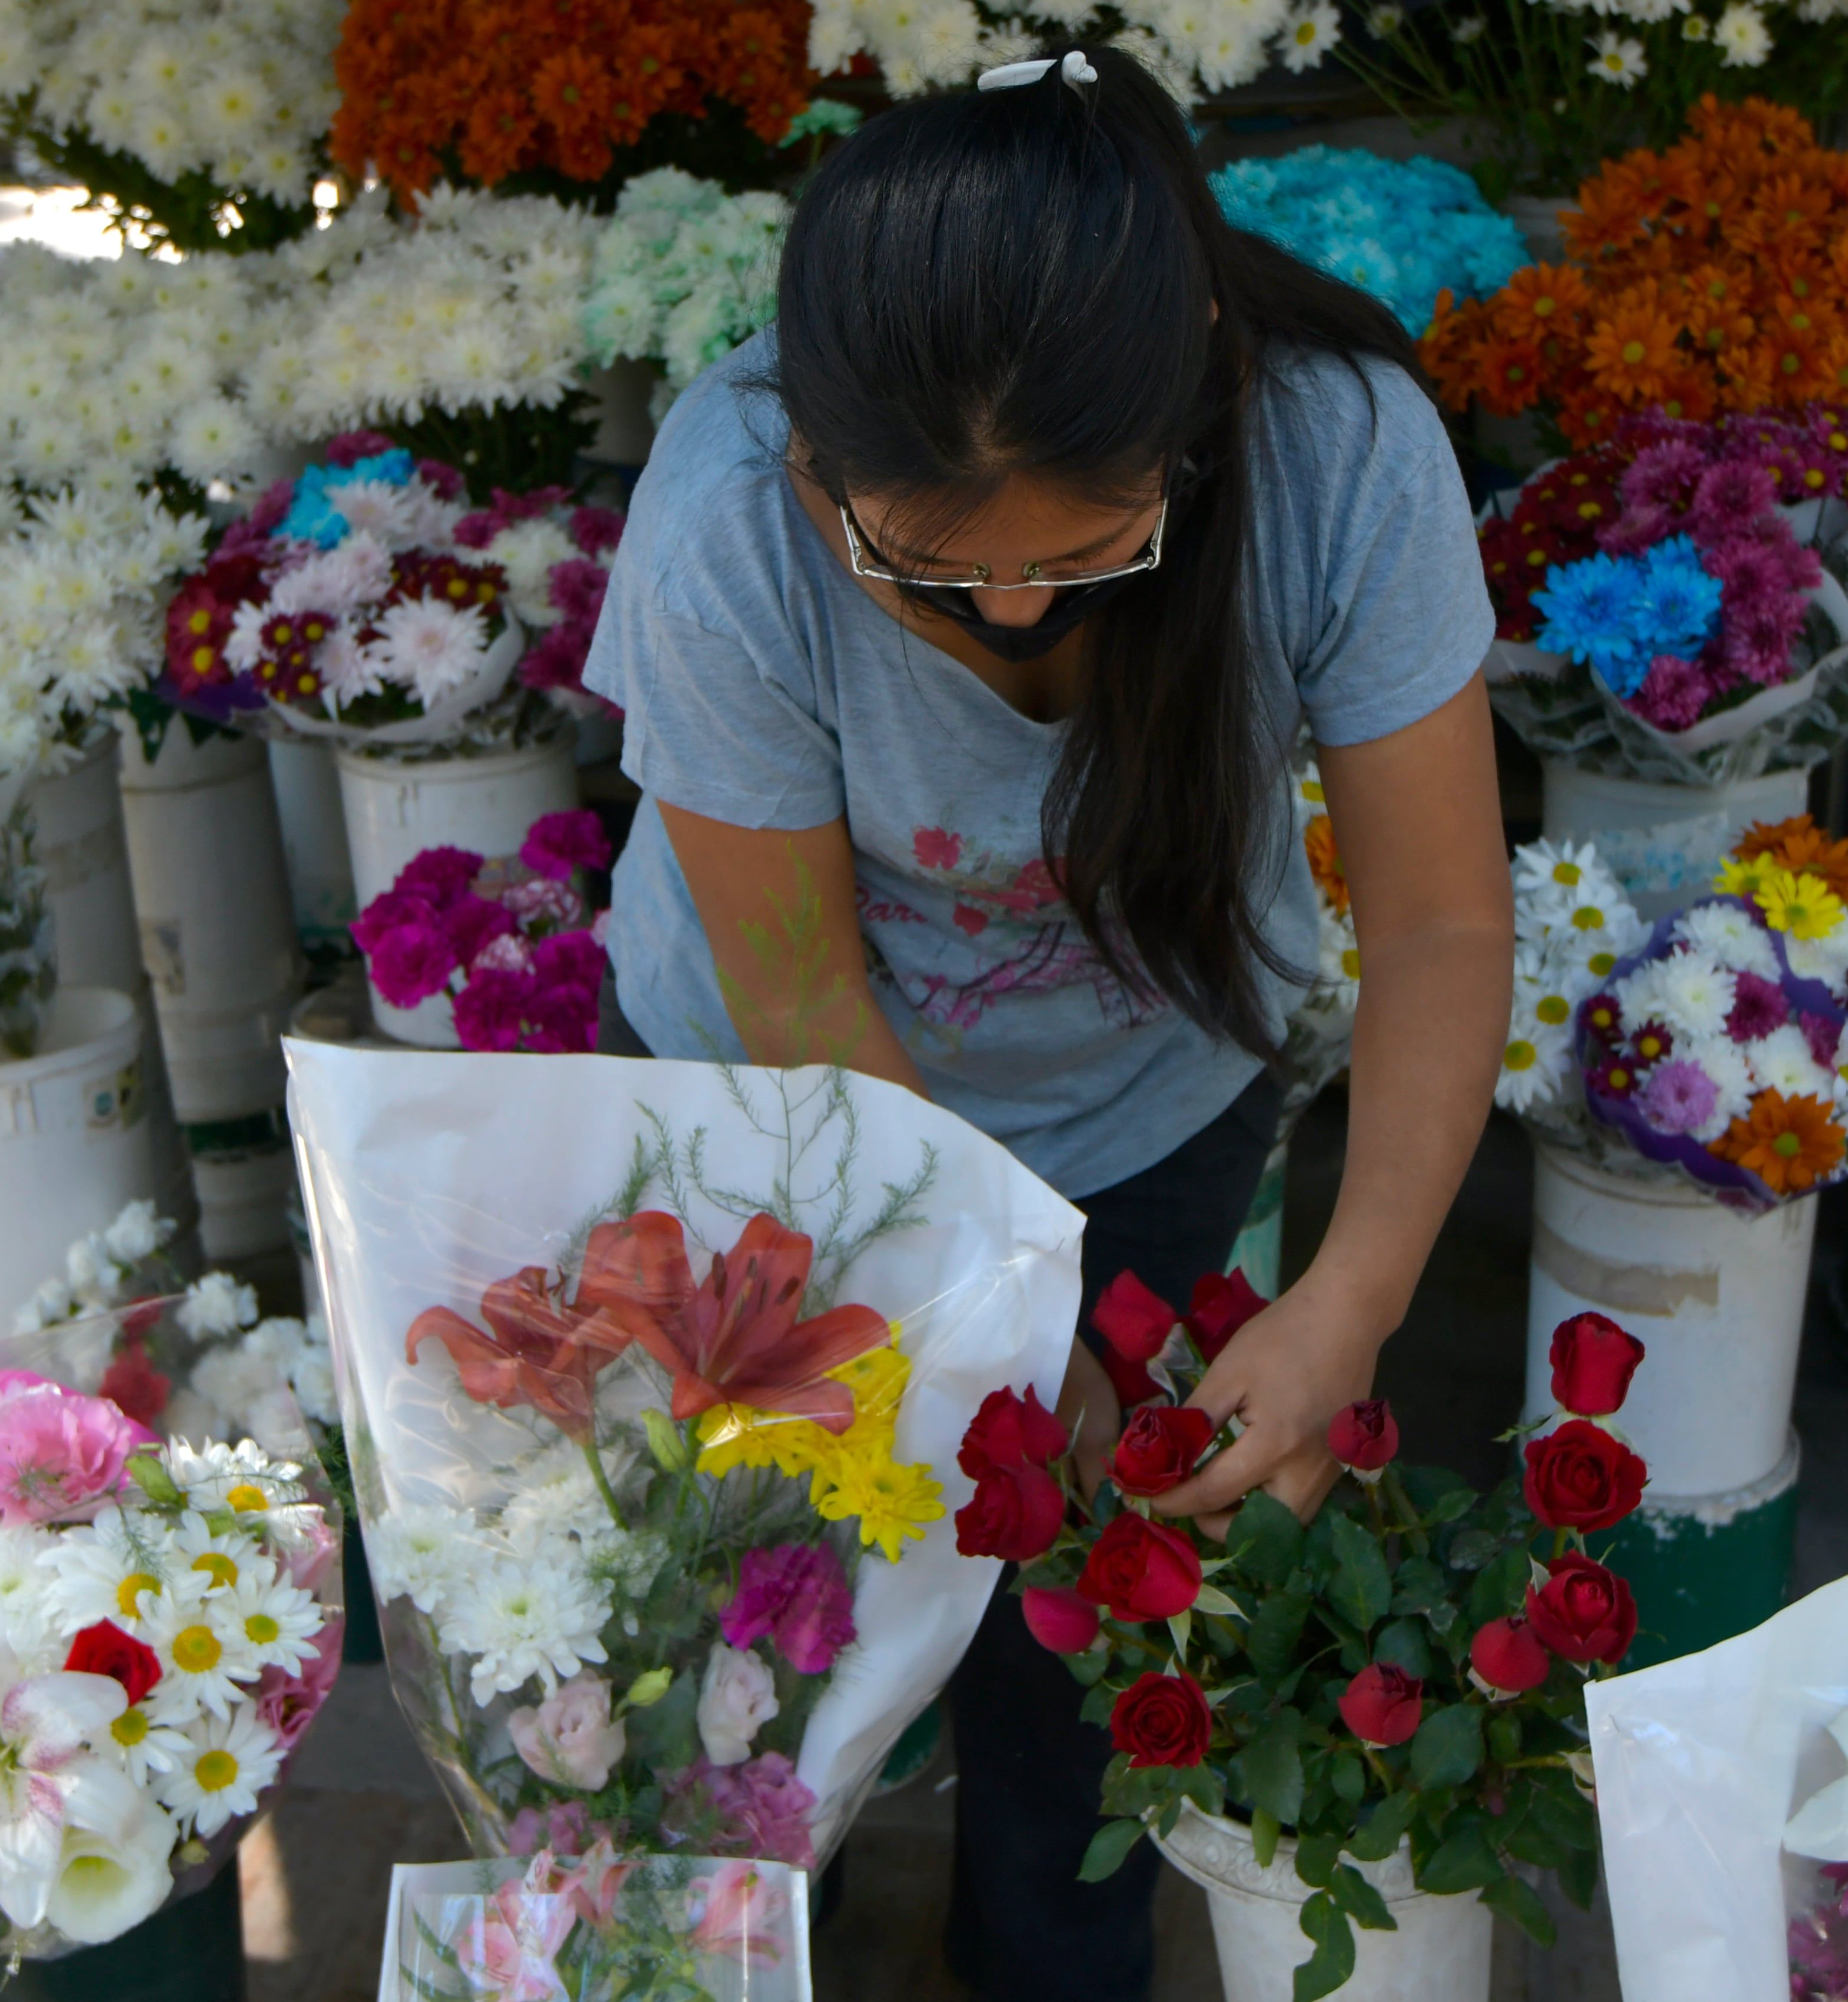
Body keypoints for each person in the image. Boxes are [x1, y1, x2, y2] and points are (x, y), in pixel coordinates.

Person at [577, 44, 1511, 2002]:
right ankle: (733, 1947)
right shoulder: (730, 507)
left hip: (1155, 1093)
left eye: (1083, 557)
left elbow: (1432, 920)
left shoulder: (1340, 450)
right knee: (760, 1607)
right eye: (927, 568)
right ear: (814, 461)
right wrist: (999, 1303)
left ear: (1195, 421)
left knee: (1086, 1647)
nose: (1010, 611)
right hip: (793, 1107)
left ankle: (1049, 1960)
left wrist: (1347, 1302)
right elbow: (814, 993)